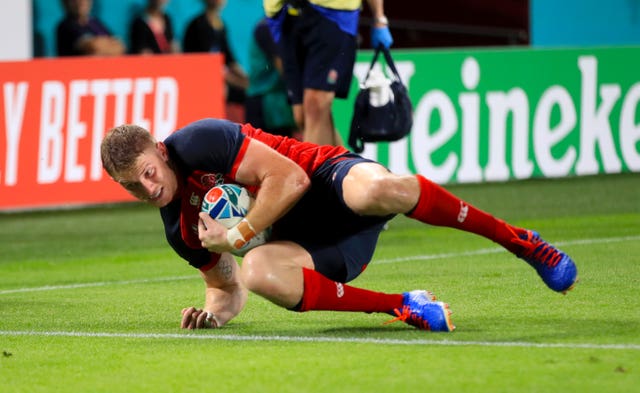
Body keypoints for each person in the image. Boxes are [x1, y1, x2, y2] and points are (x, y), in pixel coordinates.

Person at [101, 118, 578, 331]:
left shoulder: (200, 141)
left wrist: (239, 234)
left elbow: (290, 179)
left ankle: (522, 243)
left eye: (146, 173)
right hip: (320, 246)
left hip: (330, 179)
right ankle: (403, 306)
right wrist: (214, 314)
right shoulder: (180, 230)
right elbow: (226, 288)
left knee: (378, 189)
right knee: (258, 273)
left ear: (160, 151)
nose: (147, 189)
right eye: (132, 186)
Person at [263, 0, 394, 146]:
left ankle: (313, 169)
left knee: (315, 106)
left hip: (332, 14)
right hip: (283, 15)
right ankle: (347, 166)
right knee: (302, 116)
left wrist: (379, 17)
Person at [183, 0, 249, 123]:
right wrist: (235, 81)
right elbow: (202, 65)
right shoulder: (197, 25)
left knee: (249, 91)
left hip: (220, 77)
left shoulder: (220, 25)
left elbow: (230, 59)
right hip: (201, 81)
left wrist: (246, 79)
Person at [245, 18, 299, 139]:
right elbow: (284, 69)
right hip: (265, 105)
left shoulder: (281, 27)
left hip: (277, 102)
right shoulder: (267, 28)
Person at [56, 0, 126, 57]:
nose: (81, 2)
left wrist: (100, 46)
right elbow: (93, 47)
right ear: (65, 3)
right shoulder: (65, 26)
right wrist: (107, 45)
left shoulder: (96, 23)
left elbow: (120, 46)